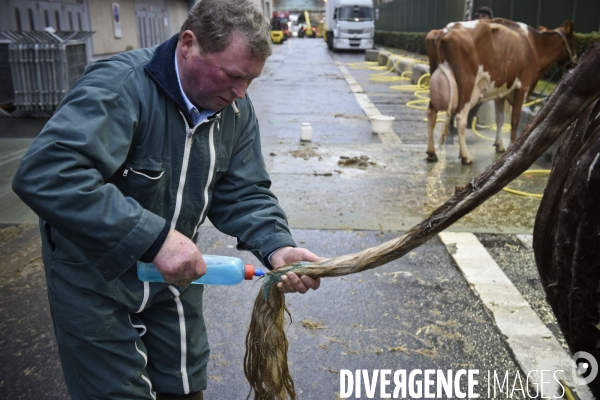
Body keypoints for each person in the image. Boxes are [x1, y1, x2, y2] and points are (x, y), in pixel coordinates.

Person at [12, 0, 321, 399]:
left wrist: (277, 245)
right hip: (95, 278)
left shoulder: (236, 111)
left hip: (174, 277)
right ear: (189, 44)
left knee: (185, 385)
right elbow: (47, 173)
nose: (241, 92)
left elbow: (242, 192)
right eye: (232, 75)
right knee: (116, 391)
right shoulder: (122, 86)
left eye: (251, 80)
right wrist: (154, 238)